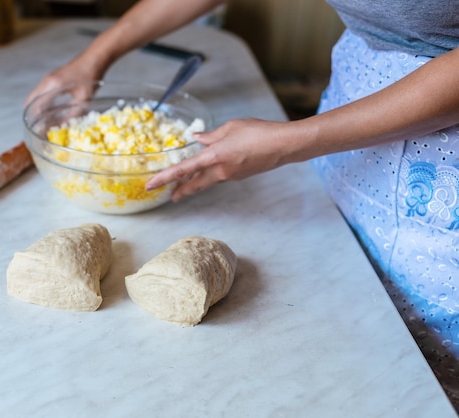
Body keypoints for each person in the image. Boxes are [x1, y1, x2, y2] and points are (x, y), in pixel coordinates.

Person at [26, 0, 459, 407]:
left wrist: (288, 143)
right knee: (340, 337)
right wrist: (95, 57)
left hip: (444, 174)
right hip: (353, 124)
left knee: (419, 384)